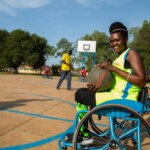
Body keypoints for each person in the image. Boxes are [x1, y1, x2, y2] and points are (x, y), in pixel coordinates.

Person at [73, 22, 146, 144]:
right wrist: (98, 87)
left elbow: (141, 80)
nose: (113, 44)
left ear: (126, 39)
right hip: (117, 96)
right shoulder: (120, 57)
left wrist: (113, 68)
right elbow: (118, 83)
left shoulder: (131, 53)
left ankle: (85, 135)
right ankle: (84, 134)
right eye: (111, 42)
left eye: (117, 40)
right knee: (84, 92)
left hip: (124, 100)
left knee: (80, 95)